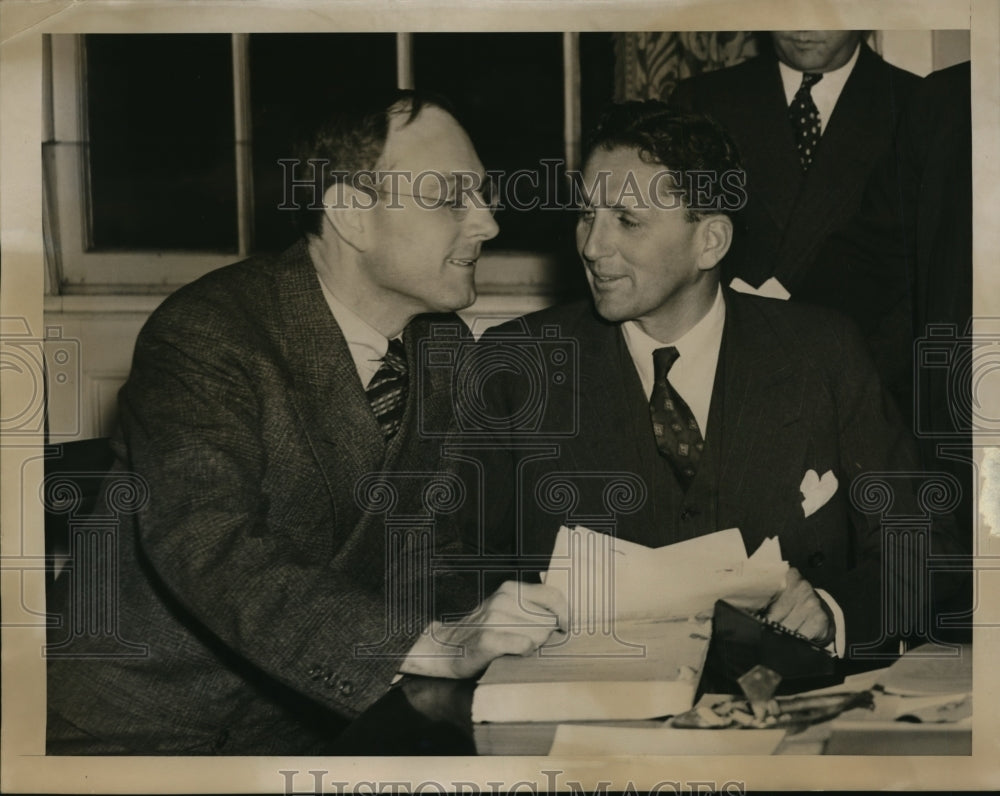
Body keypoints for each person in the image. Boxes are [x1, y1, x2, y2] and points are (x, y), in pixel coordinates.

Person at [46, 90, 566, 755]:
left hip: (303, 728)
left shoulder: (446, 351)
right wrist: (438, 645)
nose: (489, 224)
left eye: (485, 196)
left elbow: (432, 552)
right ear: (350, 213)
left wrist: (539, 620)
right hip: (131, 731)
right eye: (450, 200)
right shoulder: (207, 334)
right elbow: (211, 549)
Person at [467, 102, 964, 662]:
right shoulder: (516, 365)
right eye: (587, 215)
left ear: (711, 241)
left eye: (626, 220)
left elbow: (924, 545)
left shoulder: (823, 353)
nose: (592, 245)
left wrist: (832, 608)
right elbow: (452, 558)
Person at [670, 31, 918, 316]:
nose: (803, 28)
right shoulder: (700, 99)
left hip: (863, 348)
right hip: (728, 339)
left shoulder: (917, 104)